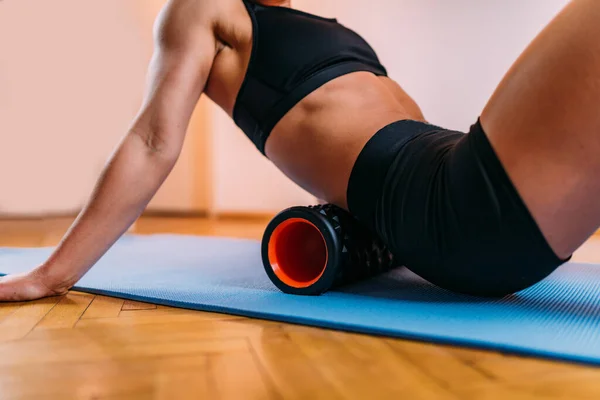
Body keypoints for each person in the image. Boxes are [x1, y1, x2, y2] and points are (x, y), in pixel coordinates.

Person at [1, 0, 599, 301]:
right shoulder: (209, 9)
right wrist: (51, 275)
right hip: (452, 208)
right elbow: (152, 139)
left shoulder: (305, 18)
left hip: (459, 187)